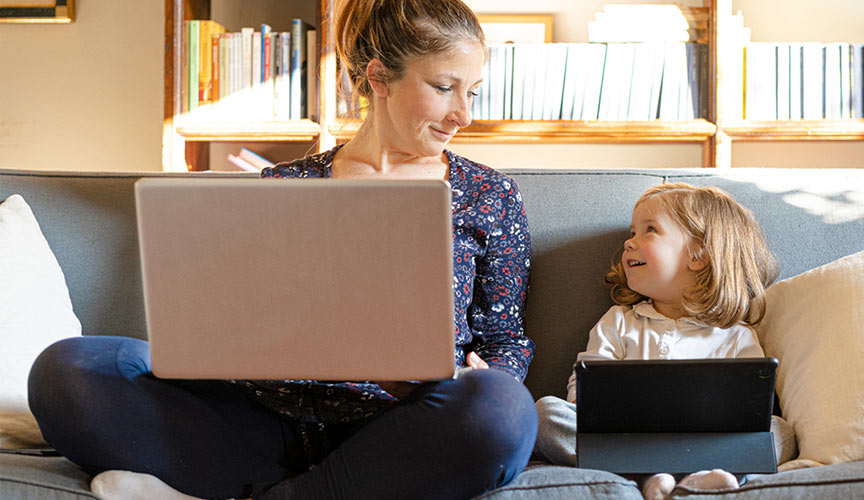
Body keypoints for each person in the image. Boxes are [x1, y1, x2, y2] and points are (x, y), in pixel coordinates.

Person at [27, 1, 537, 499]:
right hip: (256, 425)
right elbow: (226, 320)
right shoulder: (280, 186)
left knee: (502, 410)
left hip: (397, 432)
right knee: (66, 372)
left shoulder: (489, 196)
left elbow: (506, 339)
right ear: (379, 78)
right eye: (445, 88)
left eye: (472, 91)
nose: (464, 114)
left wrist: (480, 376)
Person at [533, 183, 790, 500]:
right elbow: (584, 388)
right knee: (546, 413)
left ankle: (702, 476)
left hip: (705, 443)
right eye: (632, 232)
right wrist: (588, 409)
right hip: (628, 441)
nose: (629, 243)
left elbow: (751, 409)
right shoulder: (620, 321)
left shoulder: (735, 334)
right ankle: (652, 475)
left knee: (780, 431)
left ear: (698, 255)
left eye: (649, 230)